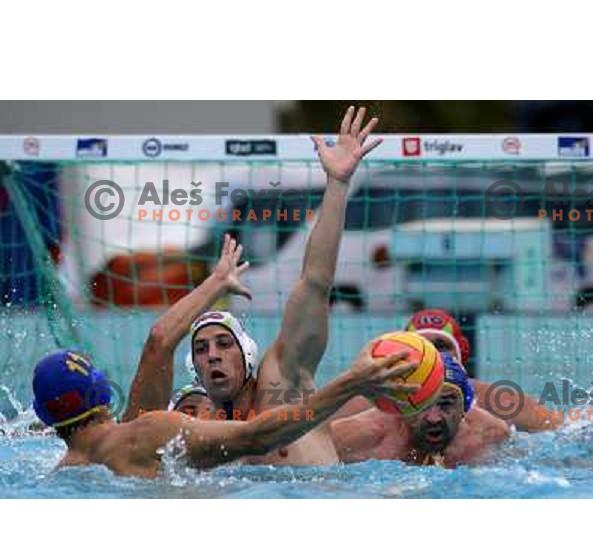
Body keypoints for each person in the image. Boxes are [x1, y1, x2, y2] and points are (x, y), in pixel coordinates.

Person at [123, 105, 384, 465]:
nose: (212, 353)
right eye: (200, 349)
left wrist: (337, 184)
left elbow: (315, 284)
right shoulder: (206, 440)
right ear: (195, 371)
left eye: (223, 343)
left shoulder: (283, 381)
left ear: (247, 355)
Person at [32, 345, 417, 478]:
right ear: (101, 393)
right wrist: (353, 381)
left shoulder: (60, 473)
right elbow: (258, 435)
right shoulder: (149, 431)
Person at [330, 353, 510, 468]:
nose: (433, 418)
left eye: (446, 403)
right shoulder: (360, 436)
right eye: (422, 404)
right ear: (402, 407)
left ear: (465, 407)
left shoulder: (490, 434)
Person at [403, 308, 559, 431]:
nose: (432, 356)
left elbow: (560, 433)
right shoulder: (386, 410)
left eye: (441, 346)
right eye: (421, 347)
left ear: (460, 353)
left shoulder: (498, 401)